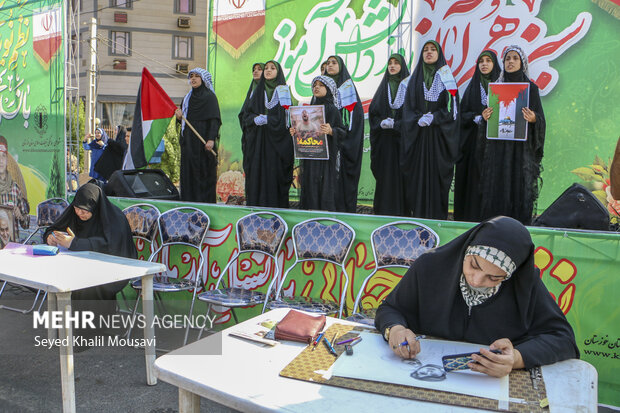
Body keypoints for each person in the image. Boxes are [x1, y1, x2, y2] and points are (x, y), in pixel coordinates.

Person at [375, 216, 579, 378]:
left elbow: (563, 339)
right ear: (466, 250)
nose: (476, 280)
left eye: (494, 277)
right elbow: (390, 308)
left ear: (510, 276)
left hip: (490, 386)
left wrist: (516, 358)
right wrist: (395, 329)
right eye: (473, 265)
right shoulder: (430, 266)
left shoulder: (525, 285)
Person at [44, 182, 137, 318]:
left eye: (85, 210)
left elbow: (111, 246)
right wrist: (50, 237)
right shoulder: (74, 213)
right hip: (76, 263)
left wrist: (75, 243)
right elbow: (54, 228)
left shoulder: (115, 218)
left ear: (95, 206)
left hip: (109, 267)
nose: (79, 213)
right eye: (77, 208)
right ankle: (66, 323)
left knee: (89, 280)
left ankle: (92, 327)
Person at [479, 45, 546, 225]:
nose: (511, 62)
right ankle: (494, 228)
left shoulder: (531, 89)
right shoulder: (496, 89)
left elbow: (540, 119)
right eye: (508, 59)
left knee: (518, 188)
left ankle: (517, 230)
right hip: (498, 151)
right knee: (497, 187)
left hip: (520, 152)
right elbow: (488, 120)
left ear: (522, 63)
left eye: (515, 58)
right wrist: (485, 118)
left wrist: (533, 119)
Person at [400, 41, 459, 220]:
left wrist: (435, 118)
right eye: (425, 50)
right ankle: (417, 218)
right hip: (418, 137)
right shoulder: (415, 78)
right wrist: (417, 119)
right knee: (417, 180)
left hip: (439, 140)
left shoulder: (447, 77)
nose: (429, 53)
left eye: (433, 50)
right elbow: (408, 107)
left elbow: (452, 109)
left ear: (439, 54)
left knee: (437, 180)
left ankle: (437, 220)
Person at [454, 50, 501, 222]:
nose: (484, 64)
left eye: (488, 60)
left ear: (494, 64)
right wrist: (477, 118)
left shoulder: (502, 86)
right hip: (473, 146)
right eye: (481, 61)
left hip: (495, 147)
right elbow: (462, 115)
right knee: (473, 184)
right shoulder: (472, 87)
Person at [242, 60, 294, 208]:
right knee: (257, 175)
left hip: (276, 144)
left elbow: (288, 118)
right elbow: (246, 115)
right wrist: (254, 119)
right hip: (258, 143)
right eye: (266, 68)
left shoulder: (284, 91)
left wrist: (269, 120)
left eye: (272, 68)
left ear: (279, 72)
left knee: (274, 176)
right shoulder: (258, 91)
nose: (268, 71)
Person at [291, 76, 346, 211]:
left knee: (325, 188)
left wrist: (331, 131)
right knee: (310, 187)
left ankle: (324, 221)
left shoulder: (332, 109)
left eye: (321, 85)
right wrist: (294, 131)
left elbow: (343, 132)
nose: (316, 87)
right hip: (310, 158)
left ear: (328, 89)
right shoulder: (309, 110)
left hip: (326, 161)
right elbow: (304, 131)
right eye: (314, 85)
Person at [369, 53, 410, 216]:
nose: (392, 66)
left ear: (402, 66)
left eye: (396, 63)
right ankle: (382, 213)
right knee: (385, 180)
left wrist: (398, 124)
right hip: (385, 143)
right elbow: (373, 112)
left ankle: (403, 214)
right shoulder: (382, 87)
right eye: (390, 63)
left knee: (402, 180)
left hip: (402, 142)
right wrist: (381, 123)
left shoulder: (409, 86)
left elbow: (413, 113)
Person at [175, 68, 222, 203]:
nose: (193, 79)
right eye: (191, 76)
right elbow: (183, 120)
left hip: (204, 143)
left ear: (203, 79)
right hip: (189, 142)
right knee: (189, 174)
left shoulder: (210, 97)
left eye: (197, 76)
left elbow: (215, 120)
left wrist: (211, 139)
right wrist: (179, 117)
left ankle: (204, 205)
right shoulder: (187, 98)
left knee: (203, 175)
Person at [325, 55, 365, 213]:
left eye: (334, 63)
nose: (330, 65)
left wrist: (338, 134)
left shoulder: (347, 88)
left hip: (341, 144)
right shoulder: (322, 87)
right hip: (324, 145)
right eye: (328, 63)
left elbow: (355, 119)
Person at [239, 63, 264, 199]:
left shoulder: (270, 92)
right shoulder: (252, 91)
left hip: (265, 141)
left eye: (260, 69)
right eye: (254, 69)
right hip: (251, 139)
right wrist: (252, 120)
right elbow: (243, 114)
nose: (256, 72)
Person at [0, 135, 29, 230]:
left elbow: (26, 224)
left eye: (3, 156)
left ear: (7, 160)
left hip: (12, 243)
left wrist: (20, 216)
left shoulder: (15, 188)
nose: (0, 160)